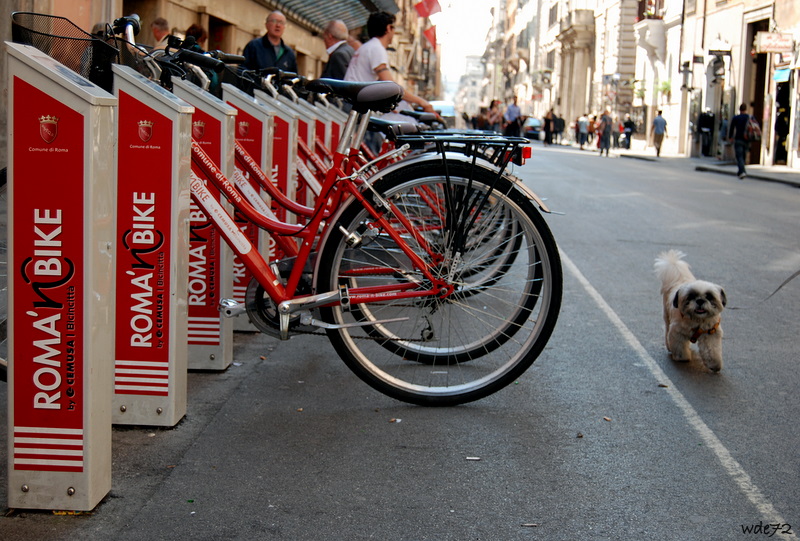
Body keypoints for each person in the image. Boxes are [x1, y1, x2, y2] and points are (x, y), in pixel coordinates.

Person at [344, 11, 433, 113]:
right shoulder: (376, 48)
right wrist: (422, 102)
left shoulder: (367, 47)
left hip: (352, 101)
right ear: (388, 28)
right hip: (355, 105)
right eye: (393, 27)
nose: (394, 32)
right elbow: (392, 87)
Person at [728, 103, 752, 179]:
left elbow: (731, 128)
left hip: (738, 139)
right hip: (747, 139)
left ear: (739, 109)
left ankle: (742, 172)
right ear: (746, 109)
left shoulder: (736, 118)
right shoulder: (749, 117)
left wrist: (730, 137)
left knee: (739, 156)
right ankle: (740, 171)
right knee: (743, 156)